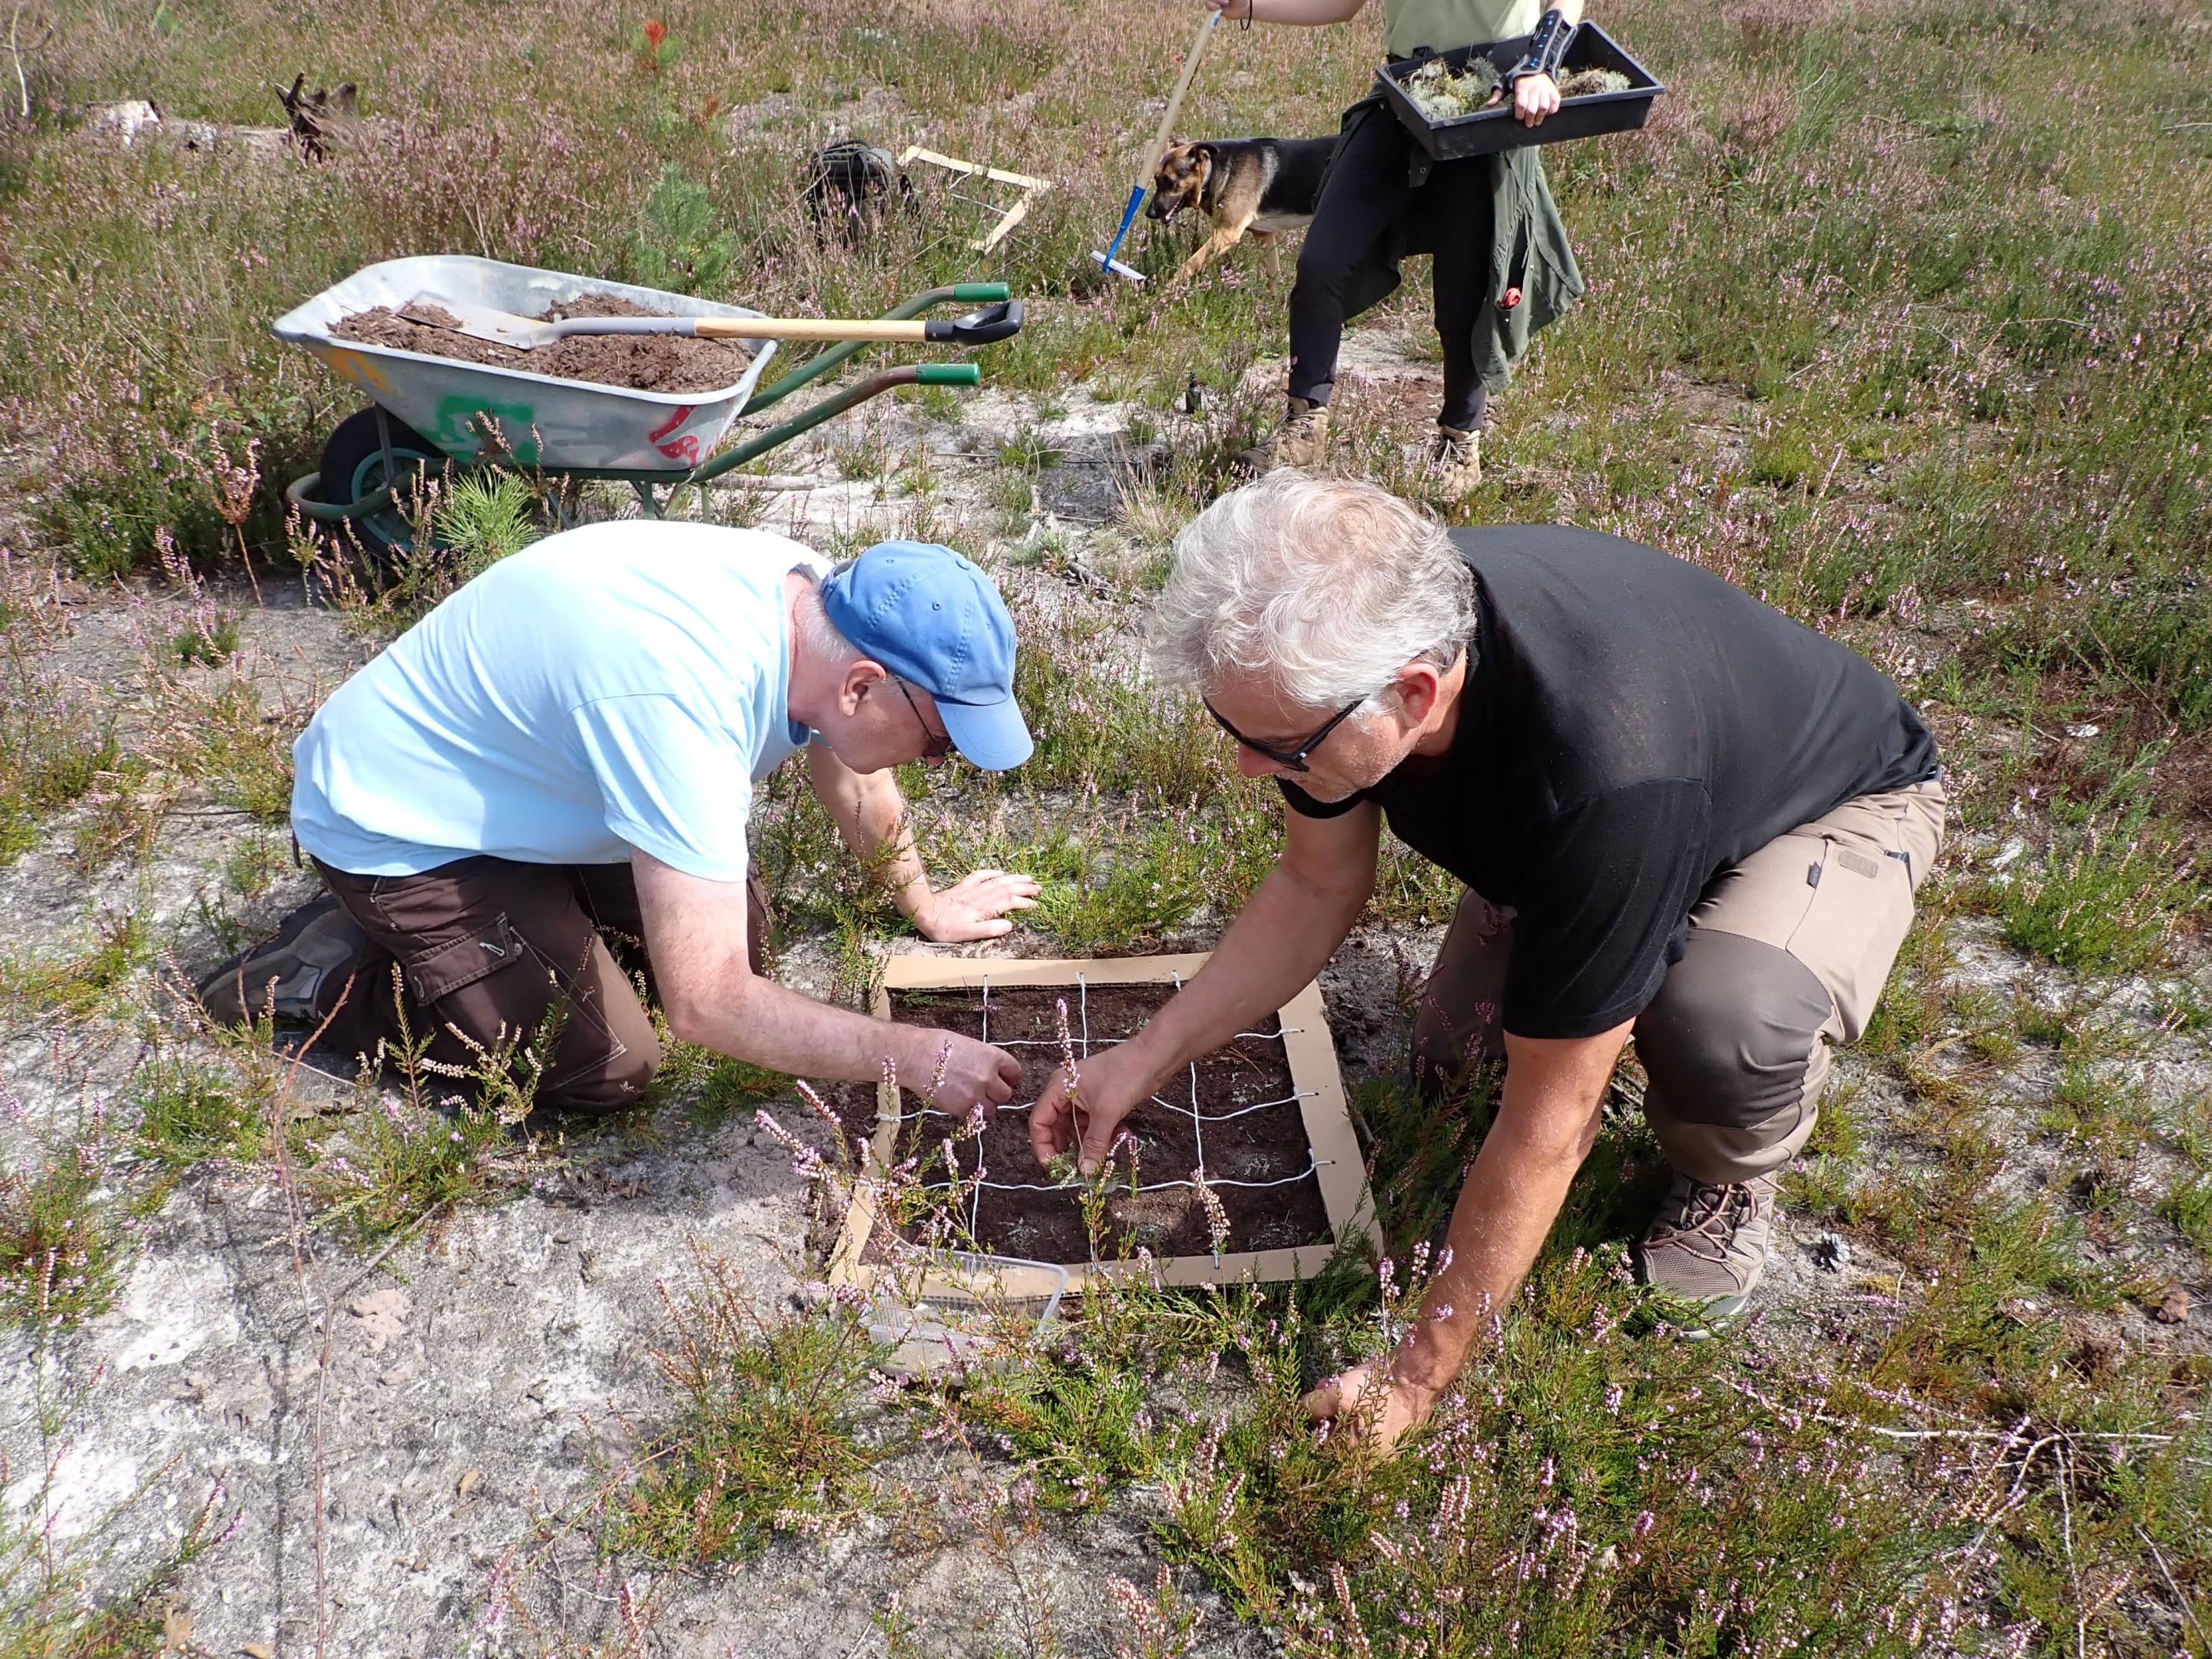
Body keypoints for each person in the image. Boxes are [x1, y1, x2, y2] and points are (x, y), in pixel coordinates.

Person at [1028, 471, 1943, 1452]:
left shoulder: (1604, 779)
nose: (1253, 768)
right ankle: (1584, 916)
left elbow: (1552, 1128)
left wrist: (1414, 1380)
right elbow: (1311, 891)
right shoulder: (1346, 643)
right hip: (1632, 793)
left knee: (1717, 1020)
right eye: (1235, 731)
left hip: (1832, 806)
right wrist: (1143, 1058)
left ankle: (1728, 1168)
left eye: (1279, 746)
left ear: (1416, 693)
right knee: (1450, 1060)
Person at [198, 522, 1041, 1119]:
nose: (937, 763)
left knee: (740, 940)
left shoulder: (823, 606)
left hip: (535, 779)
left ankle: (528, 913)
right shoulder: (679, 699)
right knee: (609, 1064)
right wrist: (910, 1056)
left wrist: (923, 902)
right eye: (938, 743)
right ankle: (323, 976)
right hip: (398, 821)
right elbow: (709, 1006)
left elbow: (845, 763)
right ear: (861, 685)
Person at [1215, 0, 1588, 498]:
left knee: (1467, 286)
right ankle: (1304, 427)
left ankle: (1460, 441)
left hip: (1496, 100)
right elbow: (1344, 4)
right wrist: (1251, 5)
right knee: (1322, 261)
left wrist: (1541, 62)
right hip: (1404, 93)